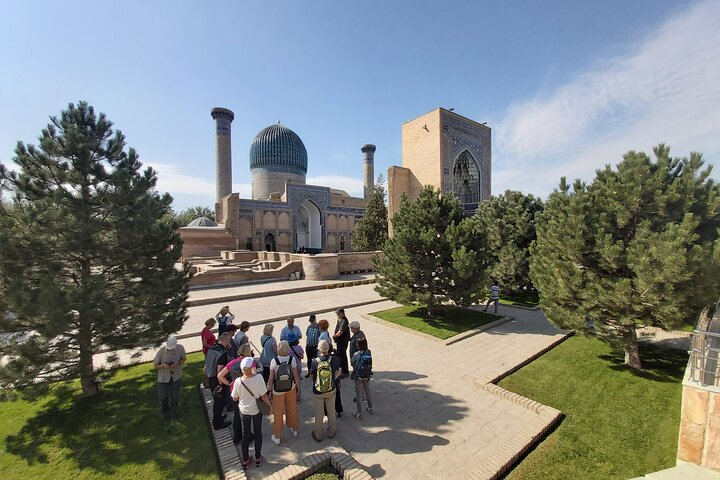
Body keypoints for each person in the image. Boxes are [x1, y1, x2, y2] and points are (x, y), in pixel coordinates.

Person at [231, 357, 272, 469]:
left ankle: (245, 459)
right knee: (258, 432)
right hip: (256, 410)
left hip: (244, 411)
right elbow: (264, 395)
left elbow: (234, 398)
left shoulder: (238, 381)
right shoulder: (259, 378)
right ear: (251, 368)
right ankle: (258, 458)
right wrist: (269, 407)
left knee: (246, 434)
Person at [218, 343, 256, 444]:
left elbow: (220, 376)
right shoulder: (250, 363)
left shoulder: (232, 363)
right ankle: (248, 435)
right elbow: (254, 376)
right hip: (246, 393)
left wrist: (229, 383)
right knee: (246, 415)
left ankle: (237, 437)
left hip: (234, 391)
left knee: (236, 415)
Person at [267, 340, 301, 445]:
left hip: (278, 390)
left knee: (278, 412)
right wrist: (298, 387)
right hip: (290, 387)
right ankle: (294, 428)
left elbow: (271, 378)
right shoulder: (292, 359)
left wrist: (269, 389)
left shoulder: (274, 361)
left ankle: (277, 436)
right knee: (292, 408)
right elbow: (295, 375)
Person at [310, 339, 341, 442]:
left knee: (319, 414)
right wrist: (333, 379)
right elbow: (339, 371)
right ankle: (332, 432)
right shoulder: (335, 359)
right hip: (331, 389)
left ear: (319, 349)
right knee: (331, 411)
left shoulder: (315, 361)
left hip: (318, 391)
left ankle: (318, 435)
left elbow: (311, 376)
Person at [153, 335, 186, 419]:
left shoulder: (180, 348)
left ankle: (174, 414)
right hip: (163, 377)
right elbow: (156, 365)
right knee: (163, 396)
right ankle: (166, 412)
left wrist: (178, 363)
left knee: (175, 396)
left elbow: (184, 358)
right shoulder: (161, 351)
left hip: (176, 375)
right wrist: (163, 365)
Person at [205, 332, 232, 430]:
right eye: (229, 340)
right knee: (219, 402)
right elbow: (220, 371)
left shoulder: (212, 349)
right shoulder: (222, 354)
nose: (230, 342)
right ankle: (217, 423)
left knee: (217, 401)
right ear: (225, 340)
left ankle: (219, 417)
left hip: (210, 377)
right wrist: (221, 385)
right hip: (218, 381)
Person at [350, 337, 374, 419]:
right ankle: (370, 408)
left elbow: (352, 362)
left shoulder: (356, 354)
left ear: (358, 345)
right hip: (367, 375)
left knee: (359, 395)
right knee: (367, 391)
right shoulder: (368, 352)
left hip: (358, 376)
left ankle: (359, 412)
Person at [333, 308, 351, 377]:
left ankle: (345, 372)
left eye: (338, 313)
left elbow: (340, 332)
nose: (337, 315)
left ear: (342, 313)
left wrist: (334, 336)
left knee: (342, 356)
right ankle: (341, 370)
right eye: (336, 314)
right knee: (340, 355)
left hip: (343, 341)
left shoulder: (344, 321)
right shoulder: (340, 320)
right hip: (340, 341)